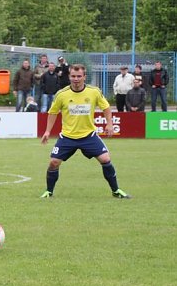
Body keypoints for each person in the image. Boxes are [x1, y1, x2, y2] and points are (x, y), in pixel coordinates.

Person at [39, 64, 130, 199]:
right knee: (53, 162)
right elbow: (52, 112)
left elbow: (106, 107)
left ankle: (116, 190)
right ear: (69, 76)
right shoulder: (62, 94)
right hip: (67, 137)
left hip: (89, 136)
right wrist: (47, 131)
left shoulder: (94, 92)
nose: (76, 79)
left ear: (84, 77)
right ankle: (48, 192)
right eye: (73, 76)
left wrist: (109, 124)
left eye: (79, 76)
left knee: (105, 159)